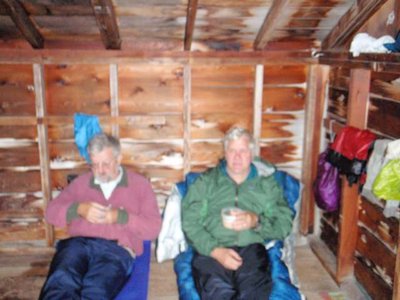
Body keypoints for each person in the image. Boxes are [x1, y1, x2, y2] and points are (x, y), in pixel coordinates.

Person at [39, 133, 161, 300]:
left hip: (116, 249)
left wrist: (120, 217)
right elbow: (51, 213)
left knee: (96, 290)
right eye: (95, 165)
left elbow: (153, 228)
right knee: (61, 282)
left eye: (106, 164)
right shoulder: (81, 183)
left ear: (118, 159)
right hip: (78, 244)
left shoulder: (140, 185)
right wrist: (79, 209)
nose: (100, 170)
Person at [181, 127, 294, 300]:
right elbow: (190, 221)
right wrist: (215, 251)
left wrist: (256, 221)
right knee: (216, 291)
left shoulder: (266, 185)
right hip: (213, 248)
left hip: (251, 248)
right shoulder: (207, 182)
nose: (237, 157)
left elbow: (284, 224)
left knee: (253, 293)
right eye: (232, 150)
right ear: (225, 153)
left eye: (242, 150)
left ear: (251, 154)